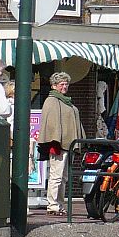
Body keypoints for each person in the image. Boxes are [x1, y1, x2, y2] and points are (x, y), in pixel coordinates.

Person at [38, 72, 85, 216]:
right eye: (61, 84)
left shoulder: (66, 101)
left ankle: (59, 203)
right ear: (54, 86)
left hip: (68, 144)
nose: (64, 87)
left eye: (66, 84)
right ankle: (52, 204)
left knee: (64, 177)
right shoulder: (52, 101)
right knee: (56, 175)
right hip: (58, 145)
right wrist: (54, 140)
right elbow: (51, 124)